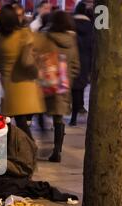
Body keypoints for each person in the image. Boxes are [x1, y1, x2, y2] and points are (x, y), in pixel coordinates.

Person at [0, 5, 45, 140]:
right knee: (18, 121)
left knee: (4, 122)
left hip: (8, 84)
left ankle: (0, 154)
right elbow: (29, 58)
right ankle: (21, 151)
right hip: (23, 84)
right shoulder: (24, 35)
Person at [34, 10, 80, 162]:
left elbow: (37, 59)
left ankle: (42, 138)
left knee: (39, 111)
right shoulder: (71, 40)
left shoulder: (45, 37)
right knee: (58, 118)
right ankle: (57, 151)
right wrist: (68, 78)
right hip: (63, 85)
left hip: (45, 82)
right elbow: (75, 65)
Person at [70, 1, 93, 126]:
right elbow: (91, 45)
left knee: (72, 88)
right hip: (85, 60)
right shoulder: (91, 26)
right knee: (79, 88)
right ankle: (76, 114)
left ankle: (70, 116)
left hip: (71, 59)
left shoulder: (70, 24)